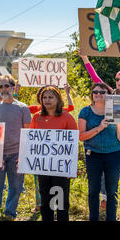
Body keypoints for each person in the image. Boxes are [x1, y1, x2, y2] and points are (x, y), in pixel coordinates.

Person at [79, 50, 120, 214]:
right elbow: (96, 79)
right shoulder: (112, 95)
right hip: (113, 139)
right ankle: (104, 201)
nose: (118, 81)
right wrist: (85, 58)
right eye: (116, 79)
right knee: (106, 173)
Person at [0, 74, 31, 221]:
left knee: (16, 187)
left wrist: (22, 155)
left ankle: (10, 213)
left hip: (16, 155)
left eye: (6, 86)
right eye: (1, 86)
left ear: (13, 87)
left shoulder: (23, 108)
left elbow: (27, 134)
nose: (4, 89)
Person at [30, 86, 78, 221]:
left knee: (61, 202)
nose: (47, 100)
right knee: (46, 202)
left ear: (58, 99)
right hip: (43, 167)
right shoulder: (36, 117)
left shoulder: (67, 117)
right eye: (44, 97)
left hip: (62, 168)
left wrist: (71, 168)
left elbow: (73, 145)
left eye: (51, 97)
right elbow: (32, 141)